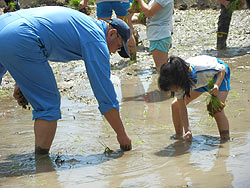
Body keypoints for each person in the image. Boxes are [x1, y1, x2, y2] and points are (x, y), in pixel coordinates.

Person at [0, 6, 132, 155]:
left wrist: (22, 81)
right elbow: (105, 93)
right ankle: (42, 166)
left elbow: (41, 35)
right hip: (21, 36)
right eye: (118, 47)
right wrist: (122, 135)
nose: (114, 52)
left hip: (6, 24)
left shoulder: (85, 24)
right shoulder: (96, 40)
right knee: (48, 105)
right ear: (112, 34)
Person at [158, 55, 231, 142]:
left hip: (217, 77)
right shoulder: (176, 83)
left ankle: (225, 140)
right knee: (176, 105)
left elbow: (222, 69)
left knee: (216, 110)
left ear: (179, 81)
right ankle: (179, 137)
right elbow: (182, 107)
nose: (175, 91)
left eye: (174, 88)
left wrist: (217, 85)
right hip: (197, 82)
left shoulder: (203, 69)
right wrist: (188, 130)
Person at [136, 0, 174, 72]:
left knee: (161, 70)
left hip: (160, 35)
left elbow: (149, 12)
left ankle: (166, 83)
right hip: (157, 35)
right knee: (161, 68)